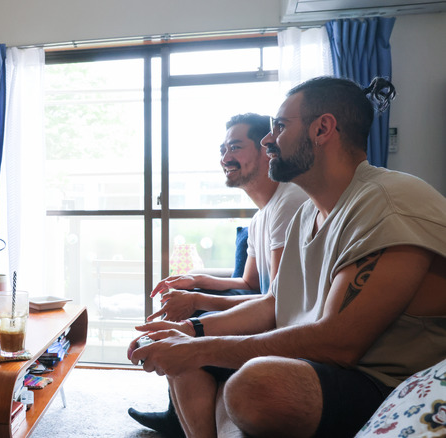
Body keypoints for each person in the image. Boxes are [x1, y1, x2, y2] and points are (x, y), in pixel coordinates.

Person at [129, 76, 446, 438]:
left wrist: (201, 349)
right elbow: (273, 303)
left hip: (386, 381)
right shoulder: (307, 215)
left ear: (322, 129)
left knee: (257, 385)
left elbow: (338, 343)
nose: (268, 139)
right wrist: (187, 332)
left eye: (279, 127)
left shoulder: (390, 201)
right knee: (184, 356)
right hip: (333, 366)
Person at [128, 113, 307, 437]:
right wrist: (195, 280)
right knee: (180, 333)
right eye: (223, 149)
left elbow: (275, 302)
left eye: (235, 147)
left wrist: (196, 301)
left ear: (267, 148)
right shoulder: (260, 216)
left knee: (184, 344)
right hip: (265, 313)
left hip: (283, 330)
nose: (226, 158)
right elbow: (249, 283)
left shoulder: (289, 202)